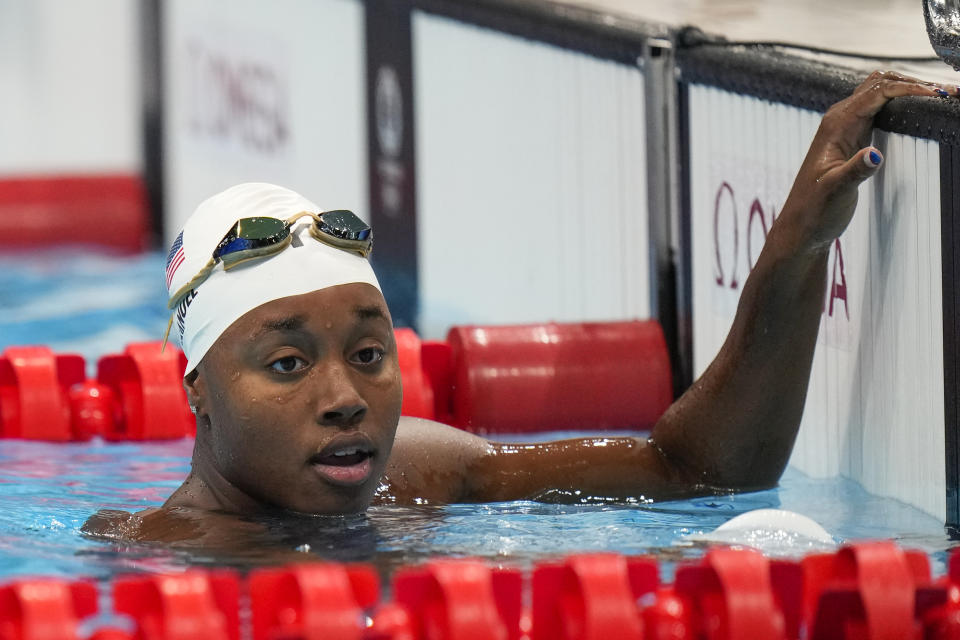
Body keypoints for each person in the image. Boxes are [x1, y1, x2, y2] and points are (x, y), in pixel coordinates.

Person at [83, 72, 954, 544]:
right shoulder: (155, 559)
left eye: (367, 352)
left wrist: (795, 246)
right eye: (286, 363)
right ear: (196, 387)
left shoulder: (415, 477)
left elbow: (700, 472)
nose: (345, 395)